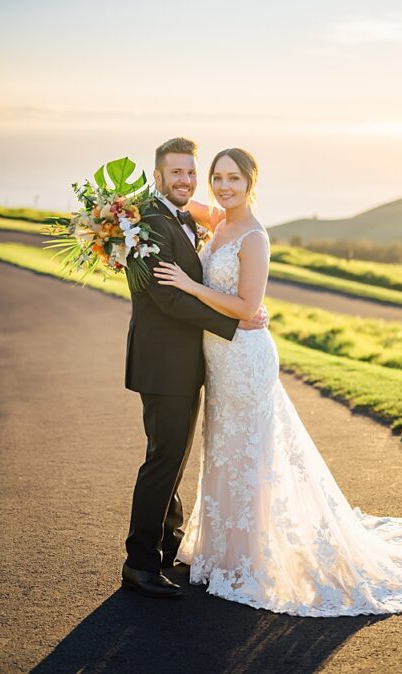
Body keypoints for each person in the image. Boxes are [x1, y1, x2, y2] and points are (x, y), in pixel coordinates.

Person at [152, 148, 402, 616]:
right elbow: (171, 200)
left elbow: (248, 309)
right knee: (224, 448)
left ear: (252, 182)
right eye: (217, 177)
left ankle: (247, 559)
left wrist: (189, 286)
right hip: (217, 358)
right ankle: (221, 553)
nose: (224, 186)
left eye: (234, 178)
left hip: (245, 357)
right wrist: (115, 218)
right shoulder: (217, 219)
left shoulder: (254, 236)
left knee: (251, 451)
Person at [122, 137, 267, 599]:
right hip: (165, 363)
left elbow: (225, 216)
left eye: (191, 172)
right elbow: (166, 296)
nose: (185, 180)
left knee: (174, 456)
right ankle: (140, 564)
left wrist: (245, 309)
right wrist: (235, 320)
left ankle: (169, 542)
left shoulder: (184, 216)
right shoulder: (148, 222)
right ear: (158, 176)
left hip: (192, 362)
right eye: (176, 173)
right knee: (163, 461)